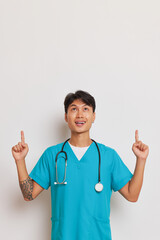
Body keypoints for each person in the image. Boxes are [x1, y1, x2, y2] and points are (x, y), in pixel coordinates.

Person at [12, 90, 149, 240]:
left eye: (85, 109)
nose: (80, 115)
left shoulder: (108, 156)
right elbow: (28, 194)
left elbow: (132, 195)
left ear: (93, 116)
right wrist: (20, 160)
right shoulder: (52, 155)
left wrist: (141, 160)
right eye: (73, 109)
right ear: (66, 117)